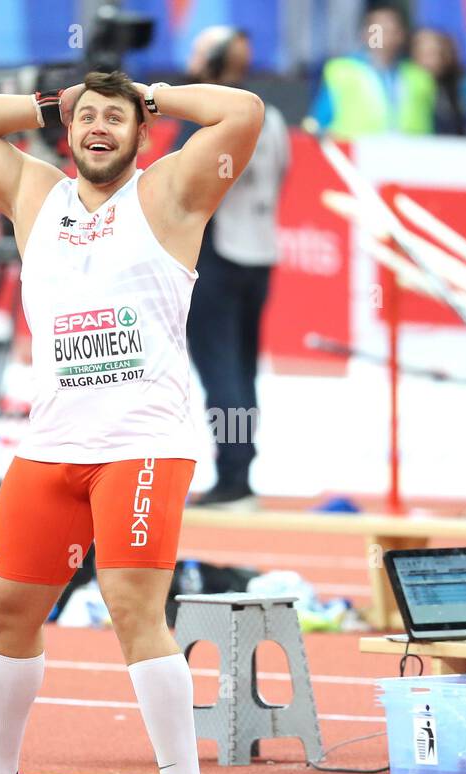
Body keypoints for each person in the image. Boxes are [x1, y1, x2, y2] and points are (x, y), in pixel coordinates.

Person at [0, 71, 264, 774]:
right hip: (51, 444)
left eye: (116, 118)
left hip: (141, 443)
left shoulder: (170, 194)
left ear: (142, 133)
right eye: (86, 118)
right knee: (10, 610)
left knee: (132, 608)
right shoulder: (35, 194)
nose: (98, 127)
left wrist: (158, 93)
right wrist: (52, 101)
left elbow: (242, 111)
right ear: (66, 131)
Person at [178, 27, 290, 510]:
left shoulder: (209, 120)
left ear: (211, 60)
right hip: (258, 255)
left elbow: (181, 183)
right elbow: (280, 177)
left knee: (223, 374)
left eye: (199, 51)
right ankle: (240, 470)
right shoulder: (274, 116)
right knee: (241, 372)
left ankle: (233, 476)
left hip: (217, 256)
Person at [308, 4, 436, 140]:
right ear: (365, 34)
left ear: (401, 35)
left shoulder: (419, 77)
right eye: (378, 30)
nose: (384, 35)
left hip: (411, 155)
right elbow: (318, 121)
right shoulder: (342, 71)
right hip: (355, 155)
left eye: (391, 30)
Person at [411, 27, 466, 135]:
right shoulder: (404, 86)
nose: (433, 60)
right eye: (427, 54)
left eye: (438, 53)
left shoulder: (457, 89)